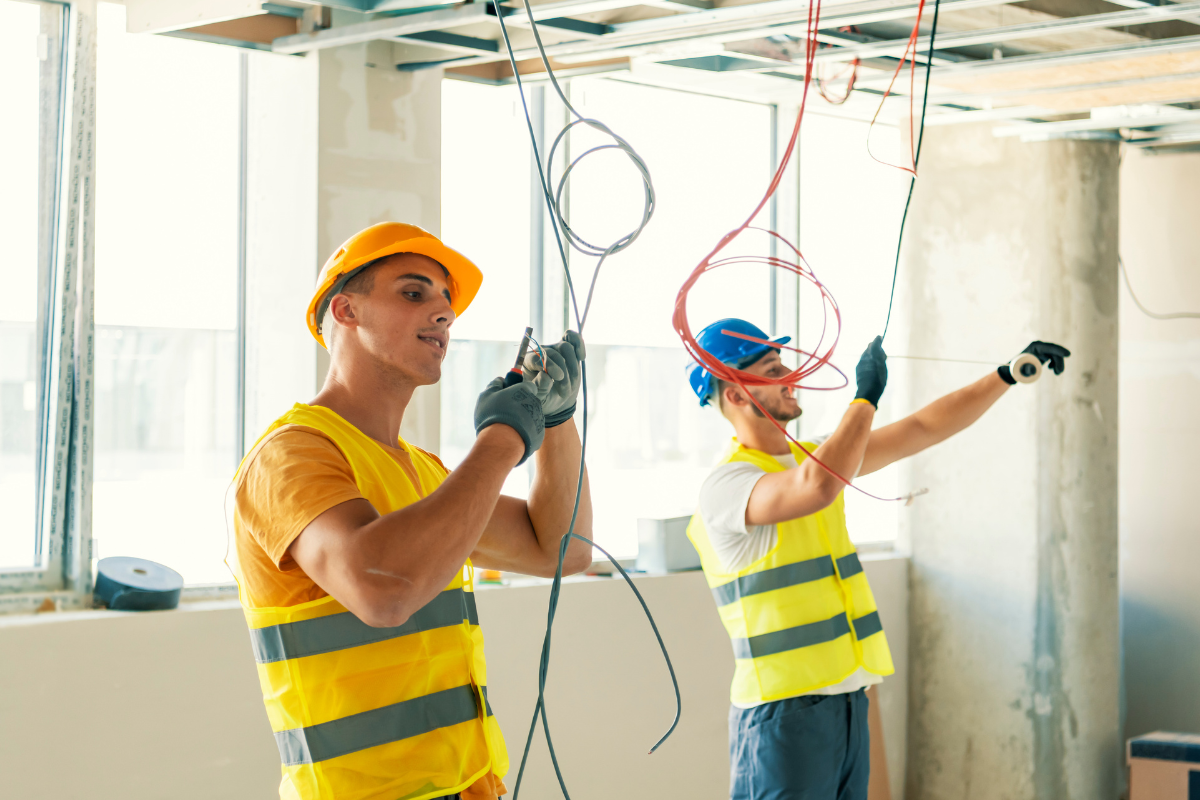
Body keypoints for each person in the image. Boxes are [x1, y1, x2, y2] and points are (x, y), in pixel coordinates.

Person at [229, 222, 593, 800]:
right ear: (346, 310)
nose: (444, 314)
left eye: (448, 302)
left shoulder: (424, 473)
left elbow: (563, 549)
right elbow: (384, 590)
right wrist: (502, 439)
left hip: (470, 788)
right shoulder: (290, 455)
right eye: (415, 292)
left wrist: (556, 419)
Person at [684, 318, 1070, 800]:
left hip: (846, 699)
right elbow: (816, 489)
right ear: (738, 395)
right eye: (772, 368)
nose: (792, 375)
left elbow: (923, 428)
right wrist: (863, 399)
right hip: (782, 711)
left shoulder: (814, 456)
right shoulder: (728, 485)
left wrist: (1008, 374)